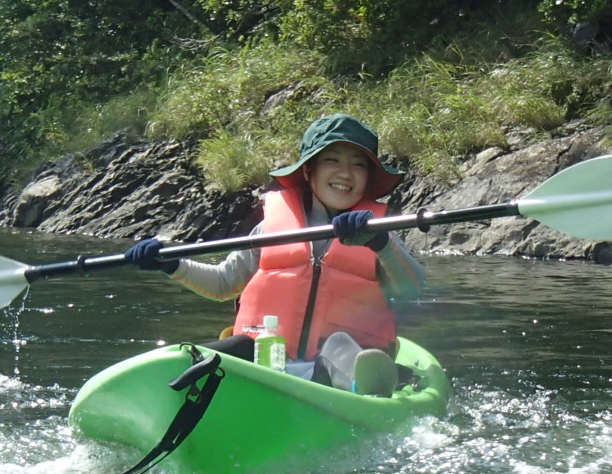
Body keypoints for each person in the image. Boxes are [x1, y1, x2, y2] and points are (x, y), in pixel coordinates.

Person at [123, 114, 426, 396]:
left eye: (358, 165)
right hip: (269, 363)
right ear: (309, 171)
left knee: (339, 345)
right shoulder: (271, 229)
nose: (345, 173)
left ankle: (369, 385)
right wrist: (171, 263)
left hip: (334, 376)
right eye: (332, 160)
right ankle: (163, 385)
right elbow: (223, 283)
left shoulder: (379, 233)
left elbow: (413, 289)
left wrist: (380, 241)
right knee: (241, 344)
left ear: (368, 177)